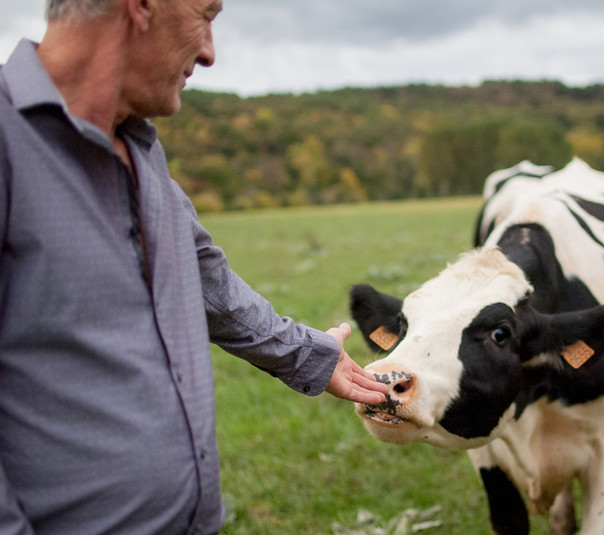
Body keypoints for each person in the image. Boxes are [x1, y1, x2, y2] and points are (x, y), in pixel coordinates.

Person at [0, 0, 388, 533]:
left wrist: (311, 355)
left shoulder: (142, 149)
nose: (208, 52)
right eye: (204, 16)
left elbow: (210, 283)